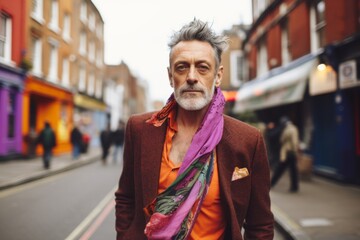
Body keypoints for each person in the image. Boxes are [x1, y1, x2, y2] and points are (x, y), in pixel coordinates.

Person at [115, 19, 274, 239]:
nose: (191, 77)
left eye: (202, 67)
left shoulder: (247, 140)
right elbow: (126, 198)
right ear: (171, 76)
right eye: (182, 67)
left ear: (217, 76)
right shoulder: (140, 129)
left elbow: (260, 224)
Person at [271, 116, 300, 192]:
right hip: (289, 152)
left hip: (288, 152)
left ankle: (271, 183)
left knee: (281, 169)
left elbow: (294, 141)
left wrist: (295, 151)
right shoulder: (291, 128)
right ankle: (294, 187)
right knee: (292, 170)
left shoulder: (290, 129)